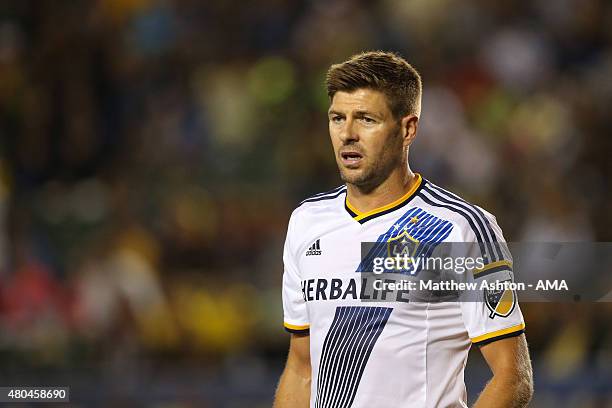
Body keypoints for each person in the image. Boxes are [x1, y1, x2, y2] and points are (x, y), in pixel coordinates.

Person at [273, 51, 533, 408]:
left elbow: (512, 377)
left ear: (407, 128)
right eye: (337, 118)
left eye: (366, 119)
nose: (347, 134)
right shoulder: (306, 221)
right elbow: (302, 367)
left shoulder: (460, 228)